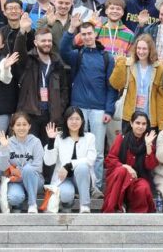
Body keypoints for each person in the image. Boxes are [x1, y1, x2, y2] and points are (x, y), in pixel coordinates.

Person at [60, 20, 115, 194]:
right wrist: (70, 30)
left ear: (95, 33)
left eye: (89, 33)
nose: (87, 37)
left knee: (97, 151)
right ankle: (79, 183)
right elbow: (63, 50)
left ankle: (95, 186)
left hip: (99, 109)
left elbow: (112, 86)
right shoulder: (77, 55)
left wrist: (109, 110)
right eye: (83, 34)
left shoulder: (107, 57)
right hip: (79, 107)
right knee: (78, 148)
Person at [13, 26, 70, 139]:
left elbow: (64, 89)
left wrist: (59, 109)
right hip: (30, 114)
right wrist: (22, 32)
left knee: (48, 148)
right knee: (30, 147)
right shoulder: (28, 60)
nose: (47, 43)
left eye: (49, 40)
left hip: (51, 116)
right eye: (43, 41)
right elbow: (18, 51)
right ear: (35, 42)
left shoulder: (57, 63)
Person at [110, 34, 163, 132]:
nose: (141, 52)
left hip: (149, 119)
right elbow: (116, 84)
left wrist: (162, 125)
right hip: (130, 118)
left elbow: (162, 99)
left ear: (150, 50)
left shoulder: (159, 68)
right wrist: (120, 63)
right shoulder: (128, 64)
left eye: (144, 49)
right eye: (139, 48)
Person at [42, 107, 97, 213]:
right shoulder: (59, 137)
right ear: (66, 121)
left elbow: (90, 160)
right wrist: (51, 141)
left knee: (82, 167)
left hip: (83, 178)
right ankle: (67, 204)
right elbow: (49, 162)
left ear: (82, 121)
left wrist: (69, 165)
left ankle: (84, 205)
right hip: (63, 178)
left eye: (77, 119)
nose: (74, 122)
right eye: (71, 119)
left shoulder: (89, 137)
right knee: (66, 194)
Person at [103, 111, 159, 213]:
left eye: (143, 124)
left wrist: (148, 146)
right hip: (120, 178)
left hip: (138, 178)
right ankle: (113, 208)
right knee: (121, 171)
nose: (140, 126)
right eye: (138, 123)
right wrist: (125, 167)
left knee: (143, 187)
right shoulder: (122, 138)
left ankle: (136, 216)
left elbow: (150, 166)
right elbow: (110, 159)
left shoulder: (149, 140)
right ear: (131, 123)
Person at [0, 112, 45, 213]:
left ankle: (32, 204)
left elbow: (38, 167)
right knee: (14, 198)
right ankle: (23, 195)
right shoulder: (8, 142)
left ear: (29, 126)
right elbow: (1, 167)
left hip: (35, 180)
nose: (21, 128)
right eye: (18, 125)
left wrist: (20, 173)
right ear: (13, 127)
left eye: (24, 124)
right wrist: (4, 148)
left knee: (28, 169)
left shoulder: (36, 142)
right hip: (15, 181)